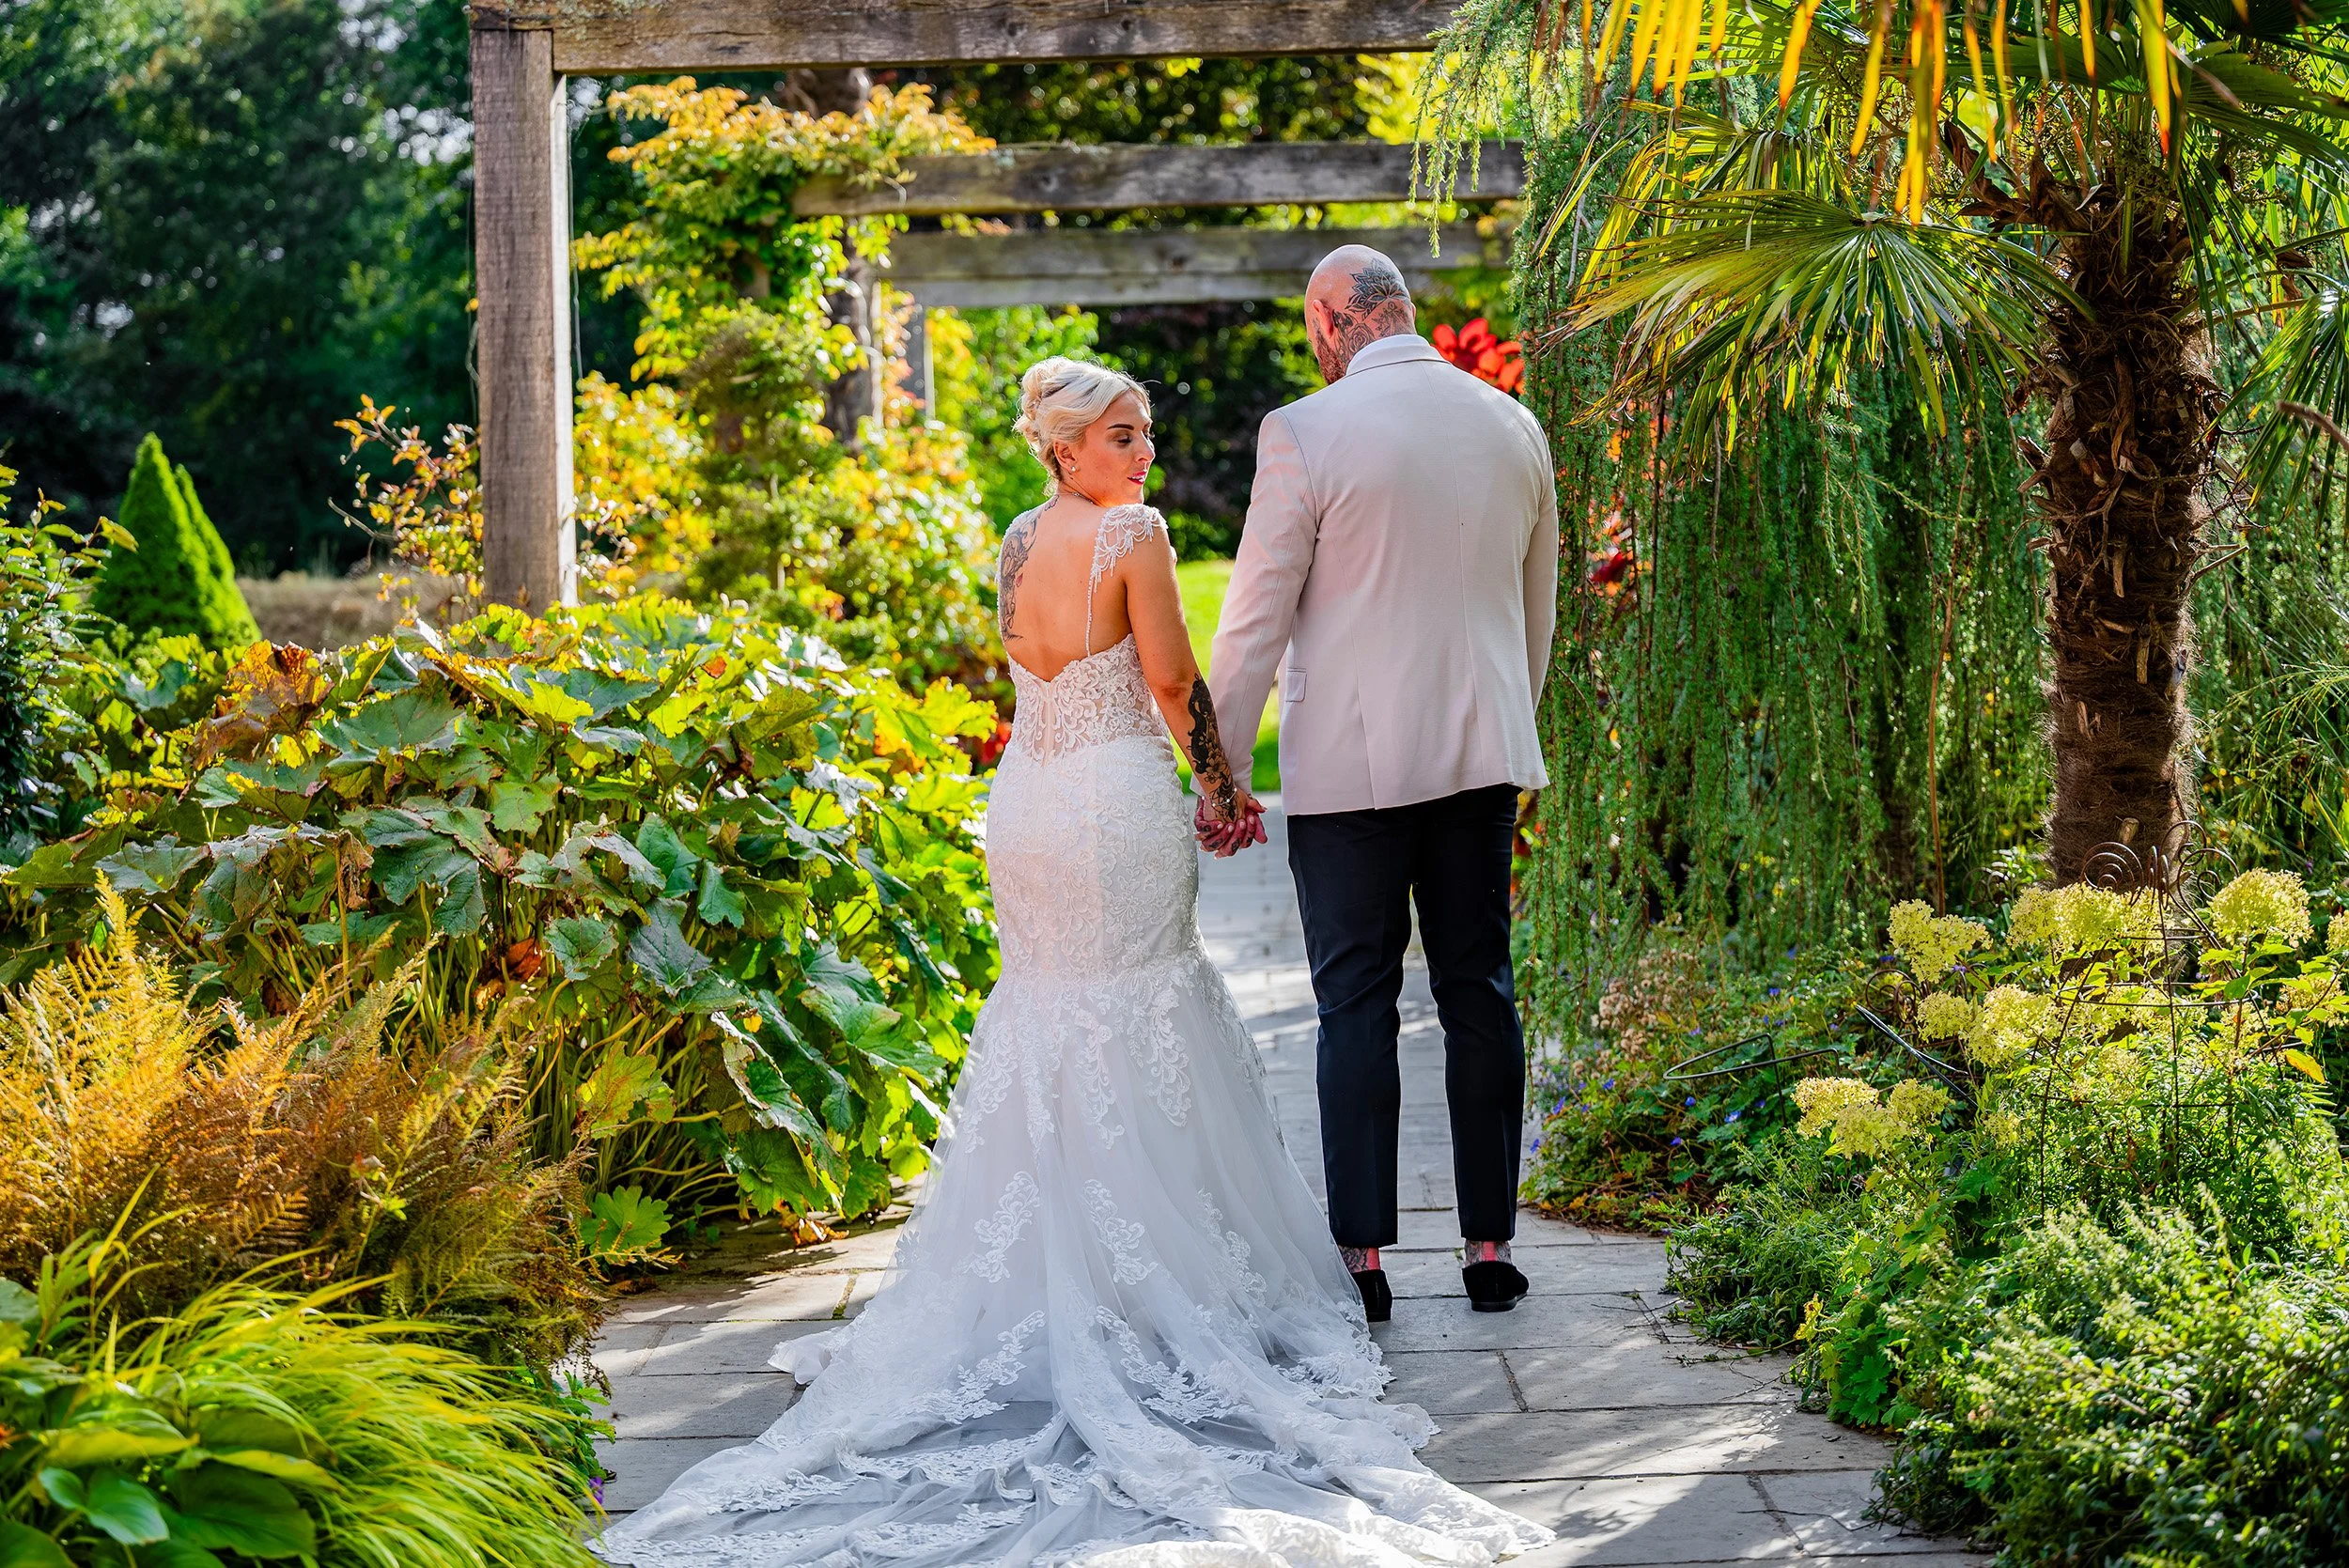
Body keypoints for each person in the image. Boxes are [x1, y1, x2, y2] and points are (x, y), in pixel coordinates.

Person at [593, 358, 1551, 1567]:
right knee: (1142, 1010)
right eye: (1117, 434)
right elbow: (1166, 680)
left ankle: (1056, 1272)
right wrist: (1221, 783)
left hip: (1027, 804)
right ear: (1064, 447)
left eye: (1144, 431)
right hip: (1107, 807)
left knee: (1057, 1015)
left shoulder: (1011, 541)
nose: (1141, 452)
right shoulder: (1133, 536)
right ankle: (1151, 1282)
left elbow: (1033, 671)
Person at [1207, 246, 1560, 1324]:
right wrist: (1512, 724)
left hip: (1353, 774)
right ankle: (1488, 1245)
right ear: (1399, 310)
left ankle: (1362, 1259)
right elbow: (1534, 605)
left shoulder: (1303, 431)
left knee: (1353, 1002)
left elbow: (1256, 616)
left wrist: (1219, 772)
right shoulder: (1513, 425)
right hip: (1481, 756)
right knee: (1478, 991)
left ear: (1330, 320)